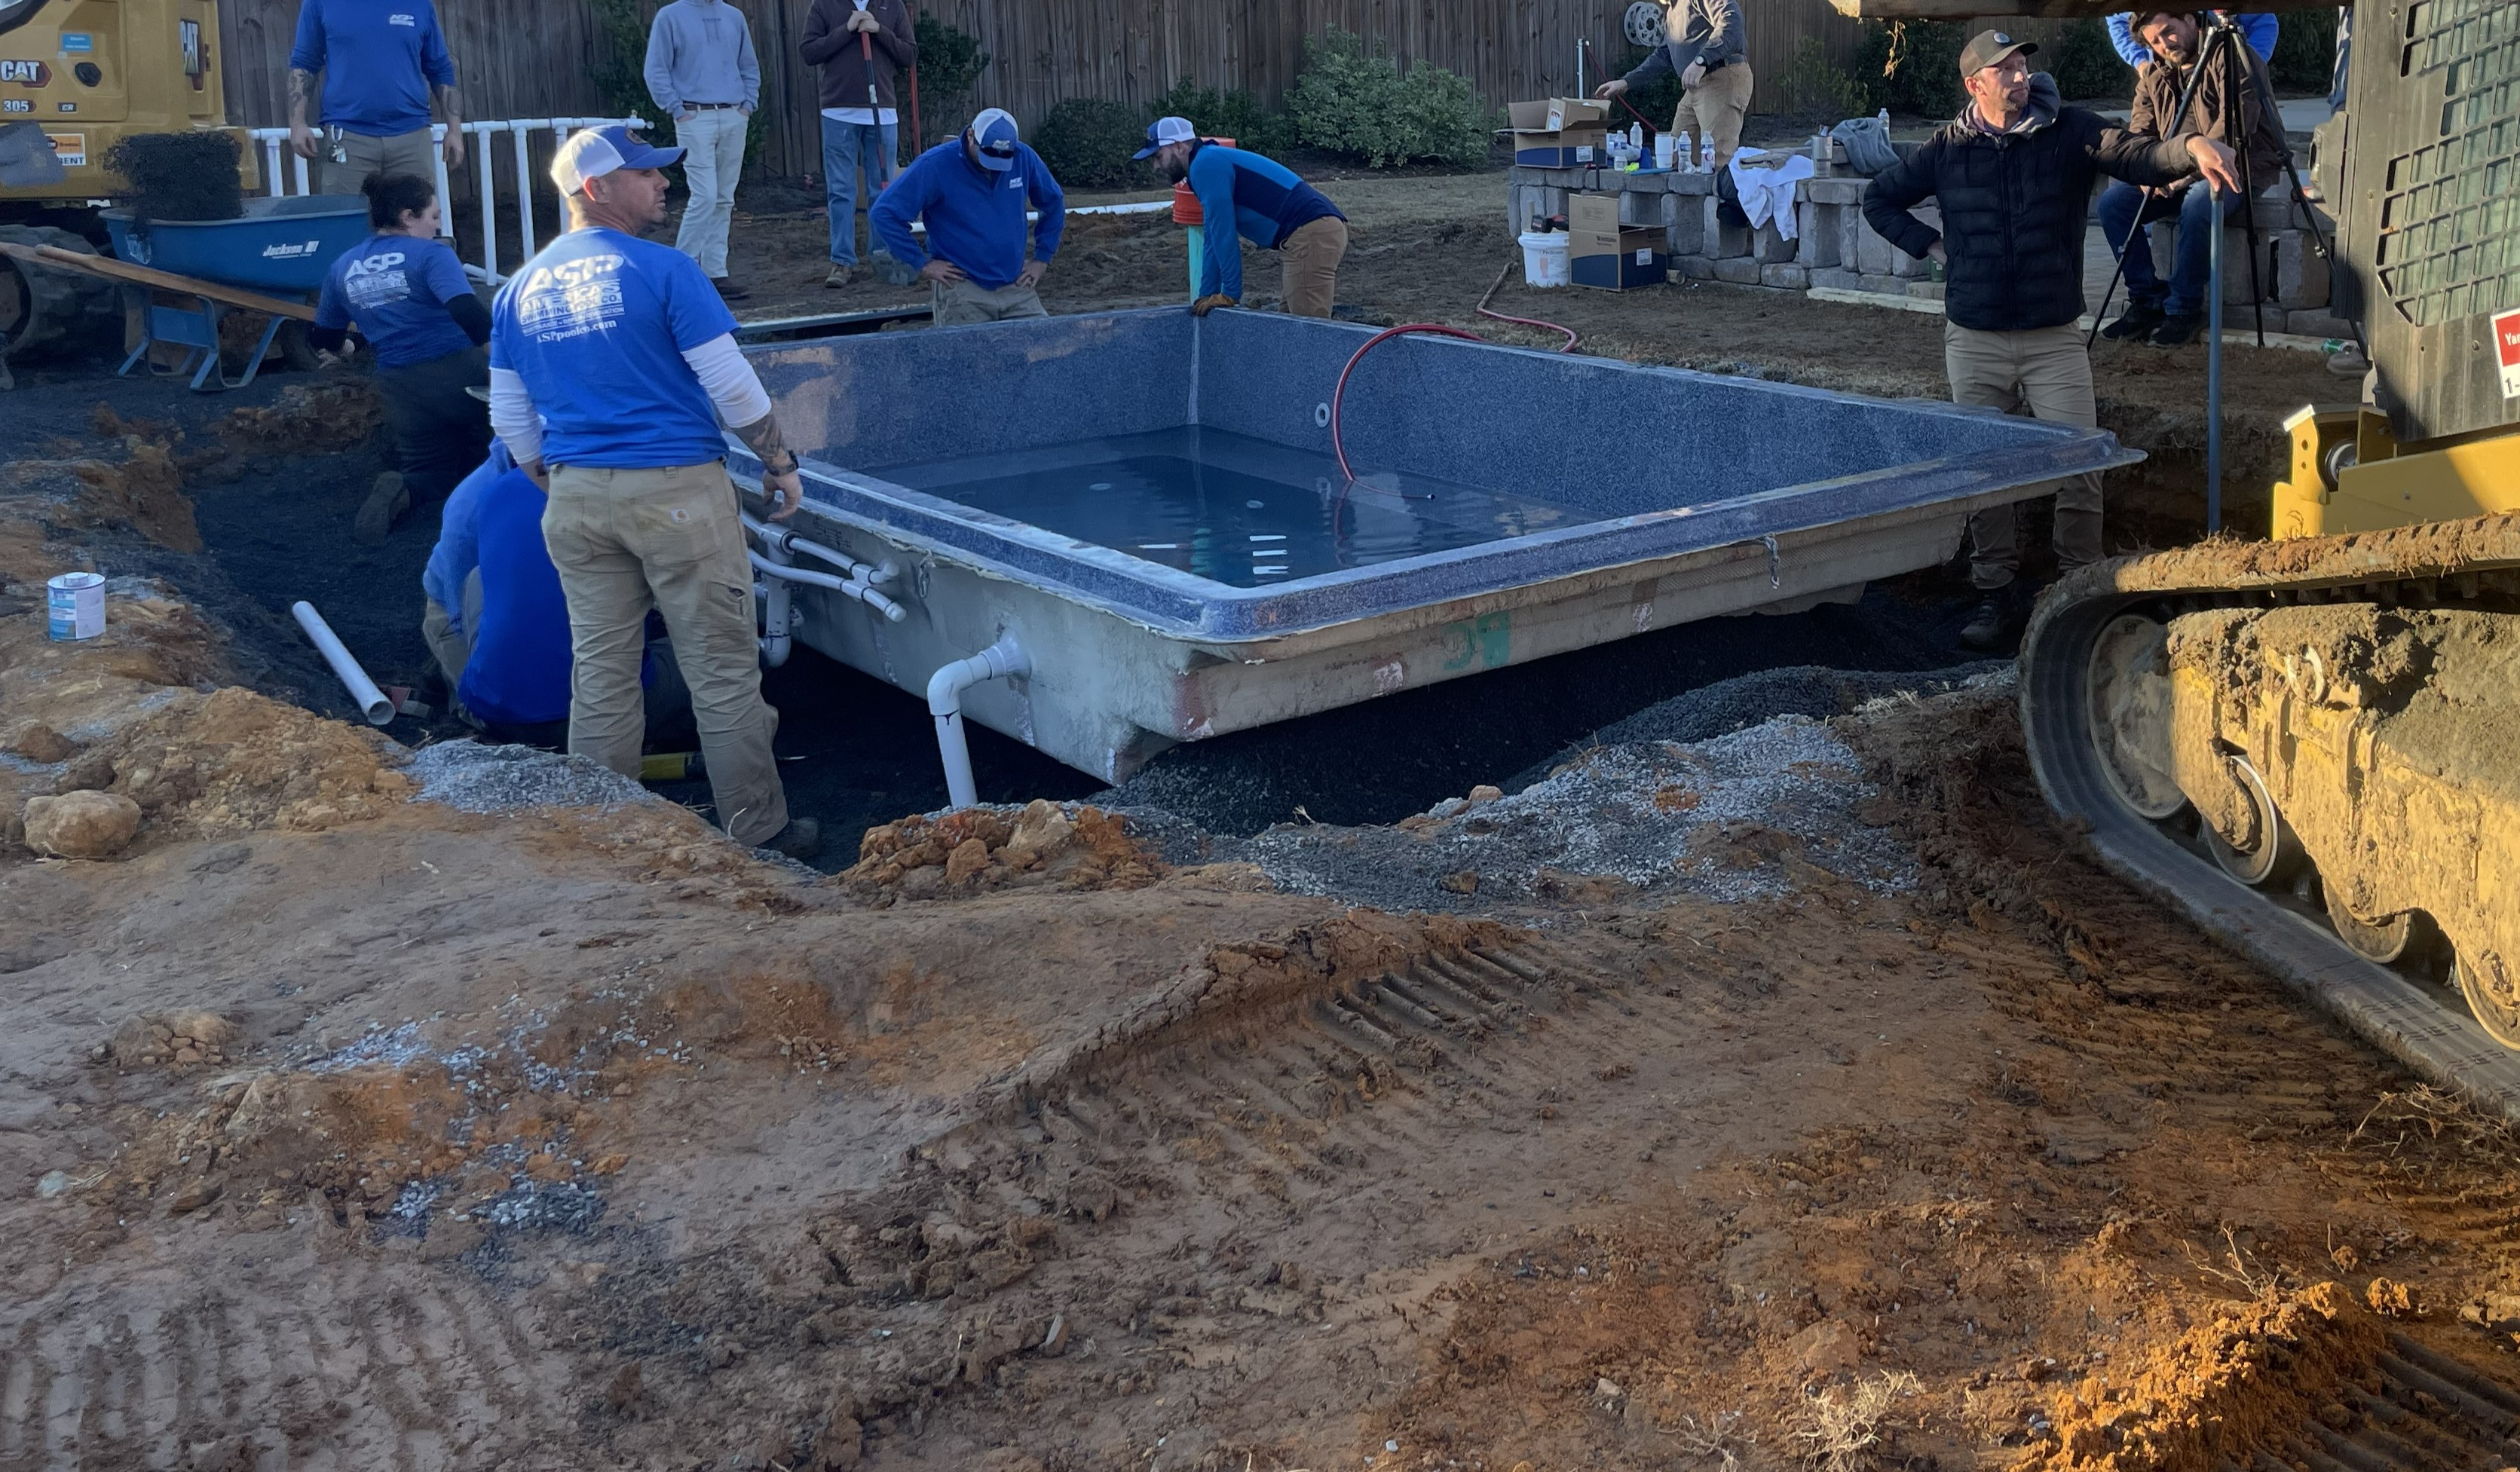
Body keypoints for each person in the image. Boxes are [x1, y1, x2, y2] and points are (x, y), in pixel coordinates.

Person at [488, 124, 820, 859]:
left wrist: (563, 480)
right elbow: (731, 384)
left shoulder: (516, 291)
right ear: (597, 189)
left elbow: (511, 420)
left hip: (575, 502)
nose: (662, 182)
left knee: (602, 674)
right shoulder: (664, 271)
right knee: (722, 672)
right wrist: (779, 462)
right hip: (677, 493)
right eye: (645, 173)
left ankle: (598, 844)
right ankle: (760, 835)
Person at [1863, 31, 2240, 650]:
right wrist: (1930, 247)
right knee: (1983, 474)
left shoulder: (2070, 130)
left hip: (2052, 339)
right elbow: (1878, 198)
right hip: (1974, 337)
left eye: (2021, 65)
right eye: (2003, 69)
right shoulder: (1945, 150)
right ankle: (1994, 592)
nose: (2018, 76)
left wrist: (2190, 146)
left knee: (2080, 465)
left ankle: (2079, 587)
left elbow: (2135, 155)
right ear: (1974, 85)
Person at [311, 173, 491, 543]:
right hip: (461, 371)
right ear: (409, 217)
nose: (438, 224)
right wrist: (510, 367)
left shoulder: (342, 266)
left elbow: (325, 336)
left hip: (399, 386)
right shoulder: (432, 254)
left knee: (429, 472)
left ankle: (402, 490)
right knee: (493, 451)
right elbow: (468, 314)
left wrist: (349, 348)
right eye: (434, 216)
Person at [2094, 11, 2286, 347]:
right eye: (2155, 41)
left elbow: (2232, 134)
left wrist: (2180, 176)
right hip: (2172, 173)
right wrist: (2145, 171)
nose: (2164, 45)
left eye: (2169, 32)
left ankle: (2183, 309)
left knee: (2199, 202)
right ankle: (2147, 300)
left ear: (2190, 19)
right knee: (2113, 204)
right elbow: (2140, 135)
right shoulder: (2153, 73)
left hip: (2241, 167)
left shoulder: (2233, 56)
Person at [1135, 117, 1349, 320]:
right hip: (1308, 233)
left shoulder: (1205, 165)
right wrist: (1206, 295)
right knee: (1290, 326)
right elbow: (1212, 234)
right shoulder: (1206, 161)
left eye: (1157, 157)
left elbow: (1224, 233)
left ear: (1179, 147)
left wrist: (1229, 293)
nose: (1156, 167)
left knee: (1308, 334)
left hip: (1311, 232)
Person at [871, 109, 1064, 326]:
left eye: (1004, 158)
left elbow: (1054, 201)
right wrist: (922, 263)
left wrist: (1042, 258)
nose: (995, 165)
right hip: (962, 288)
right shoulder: (935, 165)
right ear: (971, 136)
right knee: (969, 358)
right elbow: (884, 213)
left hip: (1016, 286)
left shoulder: (1023, 157)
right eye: (988, 155)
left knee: (1044, 348)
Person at [644, 0, 761, 301]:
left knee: (724, 198)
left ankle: (715, 273)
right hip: (694, 117)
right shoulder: (670, 17)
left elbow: (749, 66)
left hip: (735, 115)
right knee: (705, 195)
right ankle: (680, 275)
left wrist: (747, 105)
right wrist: (676, 109)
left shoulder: (733, 17)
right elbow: (656, 70)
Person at [287, 0, 463, 196]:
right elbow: (304, 63)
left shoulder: (420, 4)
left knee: (414, 222)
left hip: (412, 139)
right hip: (348, 139)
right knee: (346, 222)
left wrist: (455, 130)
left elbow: (440, 68)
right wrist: (297, 123)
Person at [801, 0, 917, 288]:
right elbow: (809, 51)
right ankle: (842, 261)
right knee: (841, 190)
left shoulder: (891, 5)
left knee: (883, 190)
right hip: (838, 111)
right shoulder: (824, 5)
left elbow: (909, 55)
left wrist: (879, 31)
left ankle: (881, 254)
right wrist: (847, 29)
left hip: (882, 112)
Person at [1593, 0, 1751, 170]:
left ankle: (1724, 196)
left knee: (1716, 160)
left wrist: (1701, 60)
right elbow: (1663, 56)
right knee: (1675, 158)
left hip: (1723, 77)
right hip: (1695, 87)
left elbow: (1732, 19)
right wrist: (1626, 82)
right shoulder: (1672, 14)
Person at [419, 435, 511, 691]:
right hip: (454, 609)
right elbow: (458, 608)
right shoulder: (469, 509)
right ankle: (450, 680)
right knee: (491, 709)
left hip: (500, 591)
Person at [2106, 9, 2275, 66]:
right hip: (2167, 81)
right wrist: (2141, 62)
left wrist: (2249, 66)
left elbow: (2263, 22)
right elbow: (2116, 19)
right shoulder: (2154, 82)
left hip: (2226, 77)